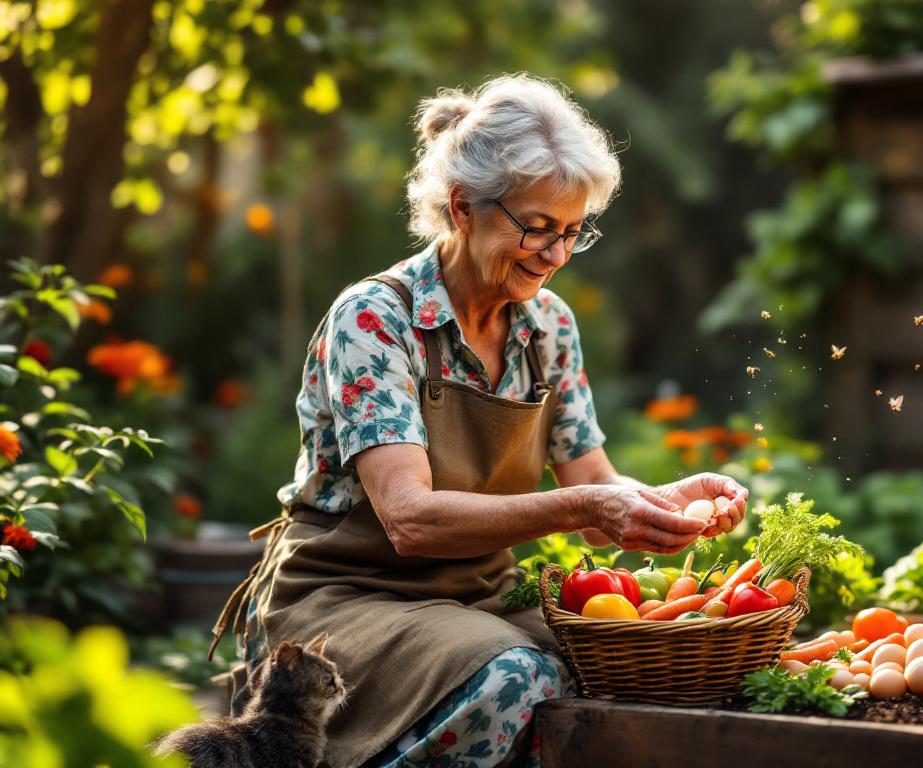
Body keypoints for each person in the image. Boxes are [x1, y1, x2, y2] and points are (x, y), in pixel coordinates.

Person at [211, 74, 748, 768]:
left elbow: (592, 493)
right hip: (344, 599)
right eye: (536, 227)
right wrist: (589, 502)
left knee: (619, 660)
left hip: (474, 598)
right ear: (464, 207)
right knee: (516, 674)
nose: (555, 256)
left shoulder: (549, 327)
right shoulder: (376, 319)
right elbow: (408, 519)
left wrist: (658, 505)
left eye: (572, 233)